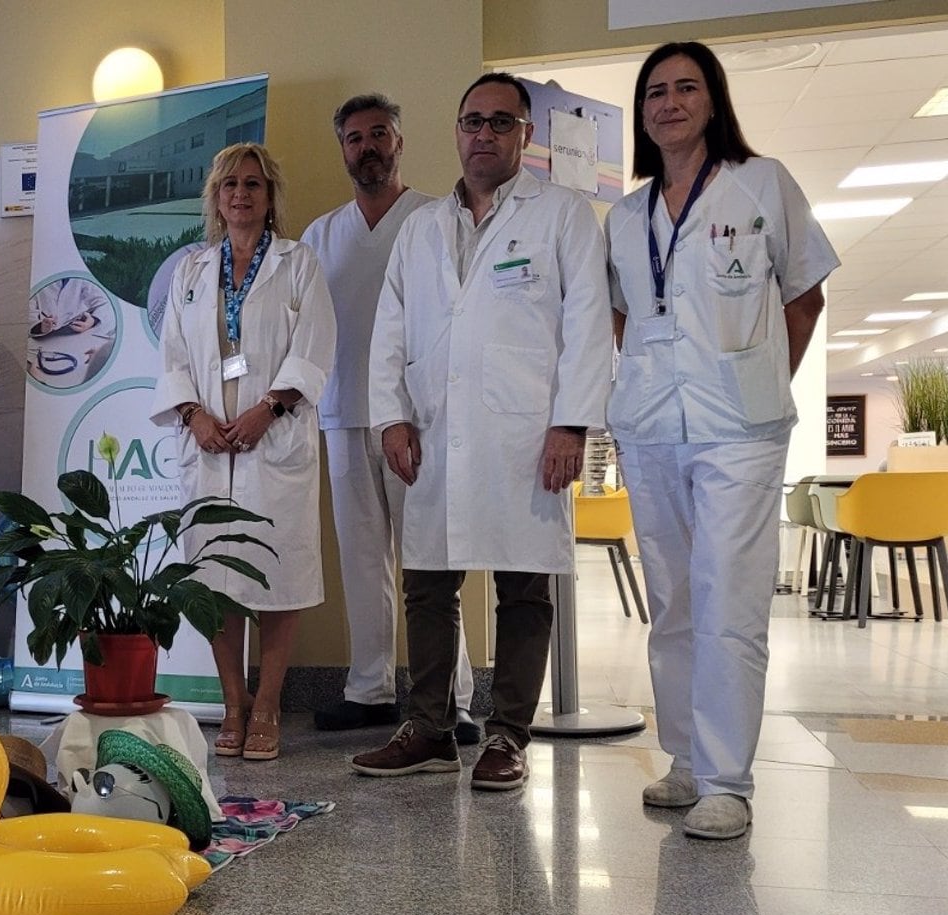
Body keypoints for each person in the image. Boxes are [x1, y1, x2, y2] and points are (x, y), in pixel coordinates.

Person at [351, 73, 612, 790]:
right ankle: (430, 730)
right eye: (473, 121)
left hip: (527, 436)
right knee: (428, 583)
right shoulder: (423, 227)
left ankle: (508, 736)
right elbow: (392, 329)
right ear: (457, 130)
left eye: (502, 122)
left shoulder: (562, 216)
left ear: (526, 135)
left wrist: (570, 424)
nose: (484, 134)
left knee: (525, 586)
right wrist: (390, 415)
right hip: (434, 431)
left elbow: (590, 330)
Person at [605, 42, 836, 840]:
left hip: (740, 431)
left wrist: (762, 382)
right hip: (650, 426)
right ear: (642, 112)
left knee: (729, 599)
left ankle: (729, 781)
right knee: (670, 599)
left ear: (713, 100)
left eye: (685, 88)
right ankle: (687, 762)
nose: (669, 103)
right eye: (655, 92)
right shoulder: (627, 215)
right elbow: (622, 316)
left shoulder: (761, 183)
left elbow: (804, 296)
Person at [301, 93, 478, 742]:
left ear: (400, 143)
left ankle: (454, 697)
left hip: (418, 417)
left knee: (430, 559)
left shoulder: (437, 219)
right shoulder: (320, 236)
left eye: (379, 134)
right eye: (355, 138)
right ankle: (368, 689)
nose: (368, 147)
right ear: (343, 149)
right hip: (343, 412)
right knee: (361, 558)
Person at [152, 142, 337, 762]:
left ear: (269, 195)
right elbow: (173, 354)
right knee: (215, 579)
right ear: (216, 197)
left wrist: (268, 410)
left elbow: (314, 346)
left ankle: (268, 706)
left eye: (253, 184)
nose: (241, 194)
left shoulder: (299, 263)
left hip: (272, 438)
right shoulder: (191, 272)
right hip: (208, 445)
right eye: (230, 184)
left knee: (278, 578)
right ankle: (233, 703)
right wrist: (193, 414)